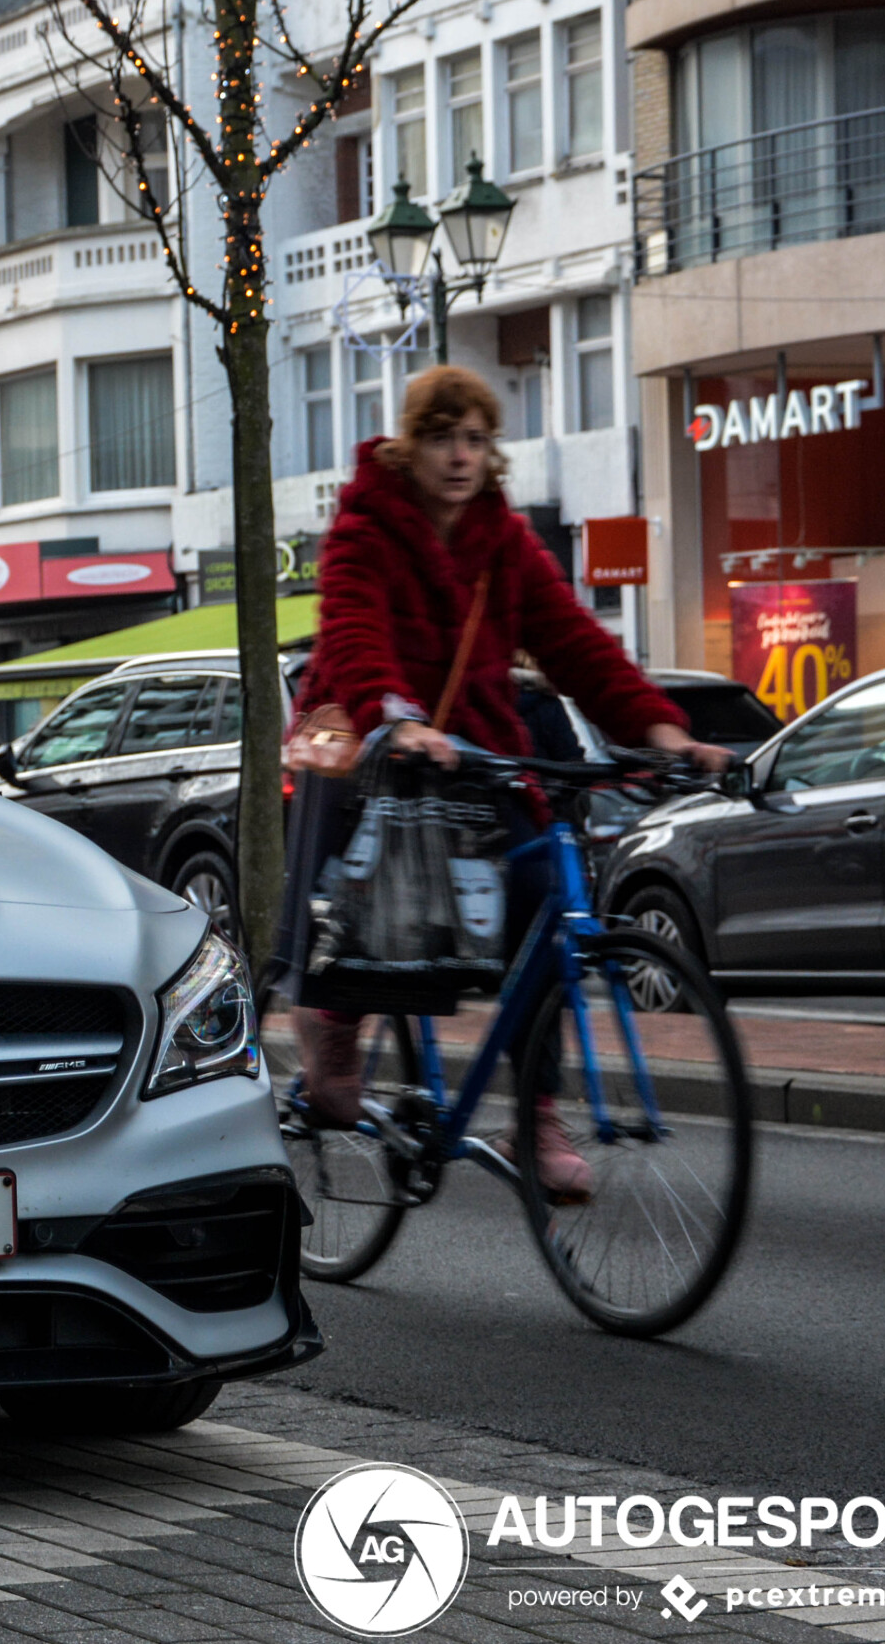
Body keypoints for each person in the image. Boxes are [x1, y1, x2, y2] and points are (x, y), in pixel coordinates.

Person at [286, 366, 730, 1197]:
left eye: (476, 438)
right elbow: (350, 629)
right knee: (377, 900)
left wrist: (664, 729)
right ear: (409, 446)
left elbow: (576, 642)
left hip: (479, 756)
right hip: (377, 748)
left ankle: (538, 1115)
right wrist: (397, 715)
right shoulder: (364, 528)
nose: (459, 455)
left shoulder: (504, 542)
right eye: (442, 436)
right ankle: (334, 1023)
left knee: (540, 895)